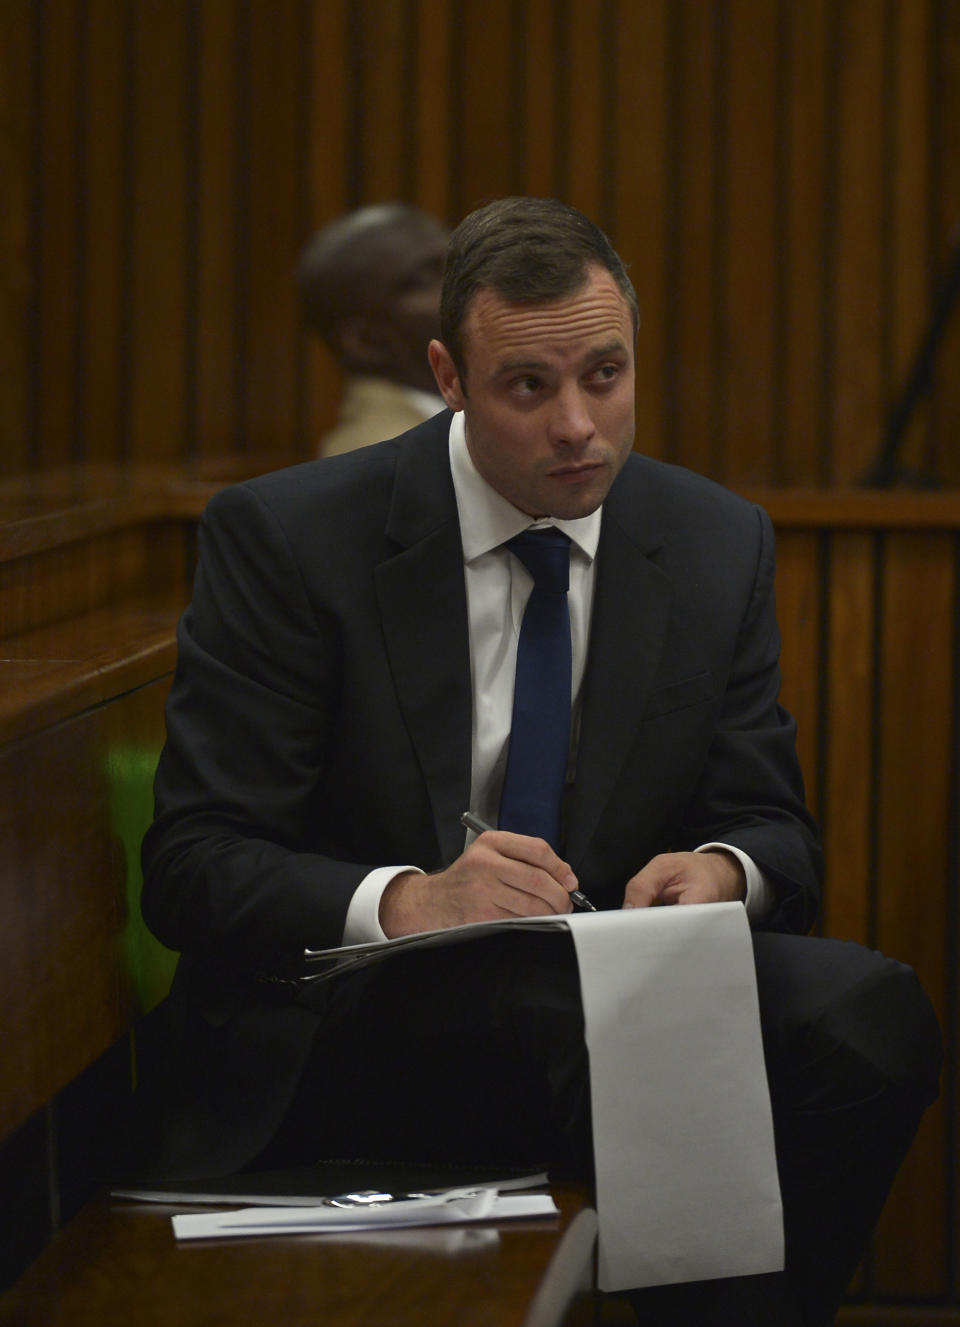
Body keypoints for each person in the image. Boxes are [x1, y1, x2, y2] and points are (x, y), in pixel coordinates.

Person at [137, 198, 941, 1326]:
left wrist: (720, 870)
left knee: (869, 1013)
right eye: (529, 387)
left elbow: (776, 833)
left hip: (608, 992)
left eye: (605, 375)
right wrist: (410, 899)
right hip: (351, 1018)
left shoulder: (711, 540)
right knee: (614, 1034)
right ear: (449, 376)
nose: (579, 425)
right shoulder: (291, 536)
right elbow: (191, 864)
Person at [297, 203, 448, 456]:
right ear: (365, 342)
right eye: (423, 280)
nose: (469, 287)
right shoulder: (382, 457)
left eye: (461, 266)